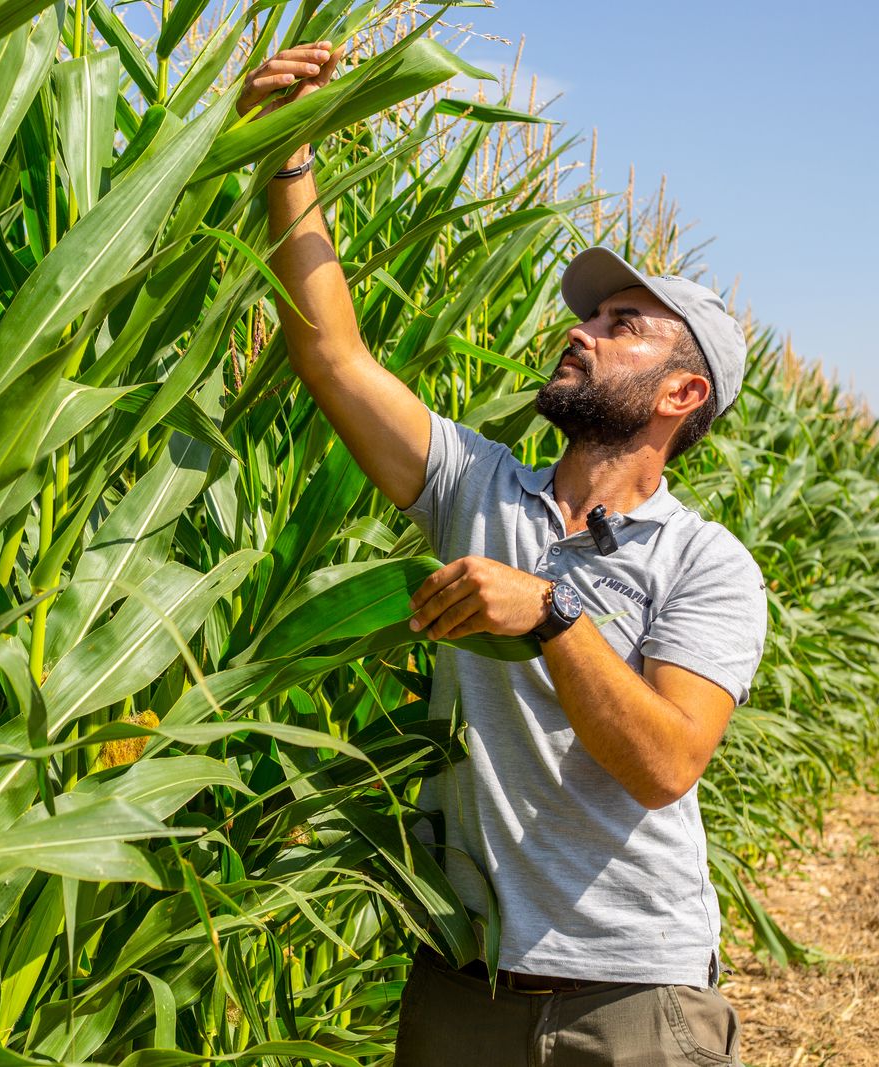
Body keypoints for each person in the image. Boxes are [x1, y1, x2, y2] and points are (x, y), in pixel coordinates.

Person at [236, 41, 769, 1066]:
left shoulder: (706, 563)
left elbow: (665, 762)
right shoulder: (475, 486)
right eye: (587, 316)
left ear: (681, 395)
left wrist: (552, 614)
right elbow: (331, 350)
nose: (581, 332)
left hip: (627, 998)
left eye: (622, 326)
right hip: (459, 982)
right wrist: (286, 158)